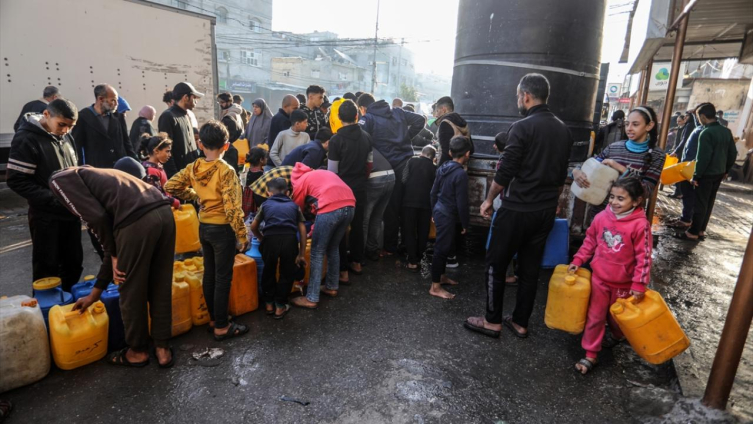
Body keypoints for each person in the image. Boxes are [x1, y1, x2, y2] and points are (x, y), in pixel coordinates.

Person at [464, 73, 573, 339]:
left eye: (518, 96)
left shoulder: (522, 127)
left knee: (495, 264)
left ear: (525, 96)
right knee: (529, 268)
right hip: (545, 211)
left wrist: (488, 200)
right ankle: (521, 322)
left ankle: (492, 321)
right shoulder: (563, 129)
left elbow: (505, 172)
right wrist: (556, 202)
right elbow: (561, 175)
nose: (518, 100)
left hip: (517, 210)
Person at [51, 158, 175, 368]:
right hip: (164, 213)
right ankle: (162, 349)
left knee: (131, 289)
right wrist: (94, 294)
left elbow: (98, 220)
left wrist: (114, 254)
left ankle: (137, 351)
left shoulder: (58, 180)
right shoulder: (99, 176)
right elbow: (112, 239)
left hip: (137, 222)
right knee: (160, 285)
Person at [164, 120, 249, 341]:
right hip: (222, 231)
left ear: (200, 144)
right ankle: (222, 326)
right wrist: (242, 235)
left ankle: (214, 319)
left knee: (209, 275)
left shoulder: (194, 167)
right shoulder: (226, 171)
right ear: (226, 145)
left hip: (204, 228)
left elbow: (170, 187)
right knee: (222, 278)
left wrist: (196, 196)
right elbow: (232, 208)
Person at [569, 177, 651, 375]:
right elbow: (589, 242)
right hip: (599, 279)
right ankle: (590, 354)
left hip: (624, 285)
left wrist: (639, 284)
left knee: (617, 319)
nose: (614, 202)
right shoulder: (601, 218)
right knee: (595, 317)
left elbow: (644, 257)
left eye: (621, 199)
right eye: (612, 197)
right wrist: (577, 261)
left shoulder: (641, 225)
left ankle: (616, 335)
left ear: (636, 201)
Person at [7, 98, 82, 292]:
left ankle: (70, 311)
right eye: (62, 125)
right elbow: (17, 181)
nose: (65, 130)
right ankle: (49, 315)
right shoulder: (26, 139)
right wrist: (55, 197)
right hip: (45, 219)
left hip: (70, 215)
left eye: (70, 126)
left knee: (73, 265)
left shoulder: (66, 136)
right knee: (47, 271)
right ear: (47, 115)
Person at [357, 93, 426, 256]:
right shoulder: (398, 112)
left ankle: (390, 247)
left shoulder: (369, 118)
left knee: (391, 208)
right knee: (406, 205)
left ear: (362, 108)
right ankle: (407, 244)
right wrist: (406, 138)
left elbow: (360, 139)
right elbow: (420, 120)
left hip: (388, 166)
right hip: (407, 163)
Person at [573, 106, 665, 223]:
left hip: (629, 220)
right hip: (601, 213)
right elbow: (592, 165)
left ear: (649, 126)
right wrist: (576, 171)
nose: (629, 128)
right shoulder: (614, 147)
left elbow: (646, 191)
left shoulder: (657, 155)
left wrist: (620, 168)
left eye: (635, 124)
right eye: (627, 124)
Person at [289, 163, 355, 309]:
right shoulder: (321, 173)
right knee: (333, 247)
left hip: (330, 208)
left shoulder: (300, 181)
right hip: (350, 205)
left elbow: (296, 210)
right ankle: (331, 286)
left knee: (317, 251)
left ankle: (311, 298)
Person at [327, 100, 373, 279]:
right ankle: (357, 262)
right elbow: (369, 165)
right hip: (360, 187)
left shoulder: (336, 140)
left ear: (339, 117)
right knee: (358, 226)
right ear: (357, 116)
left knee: (340, 228)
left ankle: (343, 271)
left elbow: (332, 172)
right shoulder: (367, 137)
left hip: (341, 190)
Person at [250, 178, 307, 319]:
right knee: (286, 273)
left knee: (268, 270)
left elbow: (253, 227)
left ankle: (269, 303)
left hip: (270, 240)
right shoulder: (294, 206)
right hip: (289, 240)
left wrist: (261, 238)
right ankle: (280, 306)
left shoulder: (265, 205)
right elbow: (302, 229)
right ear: (288, 192)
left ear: (269, 193)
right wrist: (301, 253)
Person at [679, 103, 737, 241]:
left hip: (706, 174)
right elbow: (733, 153)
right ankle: (701, 230)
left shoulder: (705, 133)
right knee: (709, 202)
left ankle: (692, 232)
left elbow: (703, 157)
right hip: (719, 173)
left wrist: (696, 175)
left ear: (703, 116)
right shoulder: (726, 131)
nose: (699, 120)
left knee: (700, 203)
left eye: (699, 117)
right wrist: (726, 170)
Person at [429, 137, 471, 299]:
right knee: (441, 248)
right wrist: (465, 223)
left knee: (445, 246)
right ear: (467, 154)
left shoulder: (443, 167)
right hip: (447, 214)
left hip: (440, 210)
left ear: (449, 152)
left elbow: (433, 192)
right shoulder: (460, 174)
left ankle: (441, 276)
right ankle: (435, 287)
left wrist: (433, 211)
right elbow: (462, 202)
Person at [72, 84, 136, 168]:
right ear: (101, 99)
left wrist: (136, 164)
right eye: (113, 100)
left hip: (120, 170)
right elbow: (77, 147)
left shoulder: (118, 117)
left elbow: (127, 143)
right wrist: (80, 170)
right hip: (98, 171)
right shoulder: (83, 117)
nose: (116, 103)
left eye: (116, 100)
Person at [402, 145, 436, 271]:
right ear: (433, 158)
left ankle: (412, 261)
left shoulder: (411, 161)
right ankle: (420, 257)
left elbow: (404, 179)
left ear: (422, 153)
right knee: (423, 231)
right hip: (426, 204)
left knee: (409, 231)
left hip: (409, 202)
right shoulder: (434, 168)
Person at [159, 82, 202, 177]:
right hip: (179, 178)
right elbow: (166, 151)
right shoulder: (168, 116)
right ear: (186, 97)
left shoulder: (187, 115)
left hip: (190, 175)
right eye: (194, 97)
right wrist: (175, 178)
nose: (196, 101)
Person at [362, 148, 396, 262]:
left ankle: (359, 254)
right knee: (377, 217)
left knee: (365, 219)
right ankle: (371, 250)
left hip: (375, 178)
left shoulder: (355, 144)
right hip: (391, 176)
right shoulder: (370, 145)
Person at [139, 133, 180, 209]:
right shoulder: (151, 171)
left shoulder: (157, 167)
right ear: (156, 150)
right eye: (167, 151)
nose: (170, 155)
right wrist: (175, 202)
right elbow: (157, 195)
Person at [435, 96, 473, 166]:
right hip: (461, 168)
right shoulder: (463, 123)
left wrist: (439, 171)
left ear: (444, 109)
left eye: (437, 111)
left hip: (448, 169)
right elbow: (472, 149)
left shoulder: (445, 123)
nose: (436, 115)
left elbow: (445, 152)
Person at [243, 147, 269, 217]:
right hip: (256, 202)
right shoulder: (261, 175)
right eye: (265, 157)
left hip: (247, 200)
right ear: (261, 160)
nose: (267, 159)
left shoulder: (248, 172)